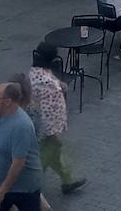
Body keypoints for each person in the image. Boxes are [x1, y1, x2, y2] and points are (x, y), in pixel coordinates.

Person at [27, 43, 86, 196]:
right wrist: (53, 134)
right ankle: (29, 187)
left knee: (56, 155)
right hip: (49, 130)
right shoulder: (49, 86)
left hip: (42, 127)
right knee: (44, 158)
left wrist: (60, 84)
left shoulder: (35, 73)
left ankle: (68, 181)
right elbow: (47, 111)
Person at [0, 82, 43, 211]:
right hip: (4, 183)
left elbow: (18, 163)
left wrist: (1, 192)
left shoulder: (21, 126)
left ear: (7, 101)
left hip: (22, 188)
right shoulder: (2, 116)